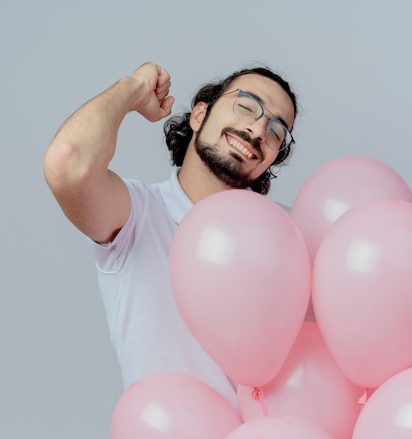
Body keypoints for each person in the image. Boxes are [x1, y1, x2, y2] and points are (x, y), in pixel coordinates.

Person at [44, 62, 298, 408]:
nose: (257, 129)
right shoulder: (139, 214)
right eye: (246, 105)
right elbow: (67, 163)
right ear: (199, 115)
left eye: (276, 131)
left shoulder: (293, 236)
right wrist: (131, 88)